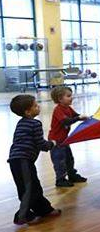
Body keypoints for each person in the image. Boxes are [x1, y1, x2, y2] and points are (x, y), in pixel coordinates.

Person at [7, 95, 61, 225]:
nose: (39, 107)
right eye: (36, 105)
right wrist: (52, 144)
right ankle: (22, 215)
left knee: (34, 186)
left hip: (20, 160)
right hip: (22, 161)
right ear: (28, 112)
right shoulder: (35, 124)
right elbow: (40, 144)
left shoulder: (22, 123)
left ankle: (44, 210)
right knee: (28, 189)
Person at [48, 86, 88, 187]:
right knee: (59, 161)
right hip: (56, 141)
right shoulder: (58, 110)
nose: (71, 98)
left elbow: (75, 116)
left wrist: (86, 118)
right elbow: (66, 121)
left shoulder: (68, 108)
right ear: (60, 99)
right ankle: (60, 179)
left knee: (69, 159)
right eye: (68, 96)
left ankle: (72, 175)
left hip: (64, 140)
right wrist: (78, 118)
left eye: (71, 95)